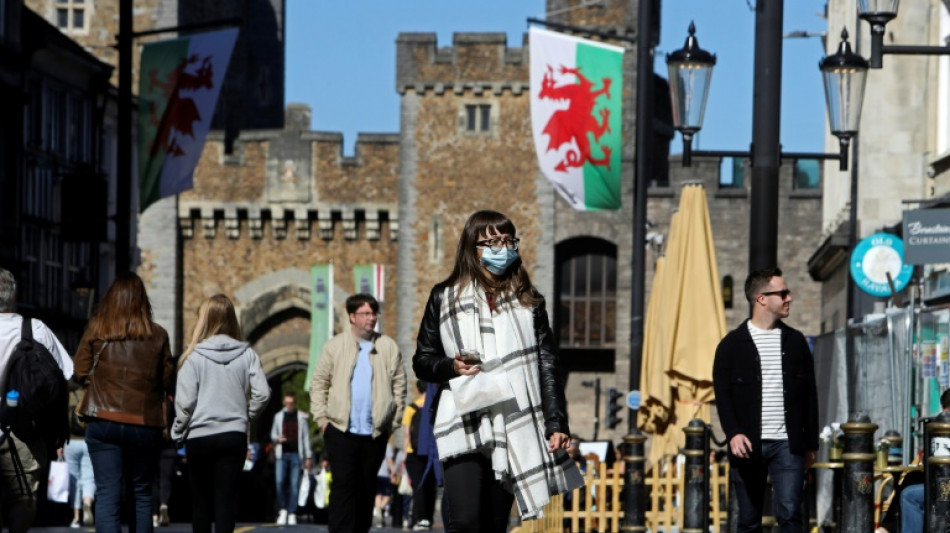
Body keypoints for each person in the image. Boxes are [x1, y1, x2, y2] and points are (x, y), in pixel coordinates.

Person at [413, 210, 584, 532]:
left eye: (507, 240)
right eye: (491, 241)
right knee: (464, 521)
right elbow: (422, 359)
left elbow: (547, 364)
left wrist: (556, 421)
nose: (502, 248)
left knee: (493, 523)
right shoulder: (443, 296)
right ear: (472, 248)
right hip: (462, 417)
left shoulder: (529, 301)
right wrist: (450, 365)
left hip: (513, 418)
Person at [712, 267, 819, 533]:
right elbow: (722, 396)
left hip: (788, 444)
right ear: (761, 298)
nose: (789, 298)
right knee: (748, 519)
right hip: (747, 444)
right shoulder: (730, 345)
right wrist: (733, 433)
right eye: (782, 293)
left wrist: (811, 444)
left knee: (791, 514)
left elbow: (810, 394)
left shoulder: (795, 342)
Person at [74, 272, 174, 533]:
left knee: (108, 494)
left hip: (103, 419)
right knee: (141, 493)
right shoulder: (158, 335)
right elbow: (165, 380)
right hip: (143, 422)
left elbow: (79, 371)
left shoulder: (98, 329)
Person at [172, 294, 271, 533]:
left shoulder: (193, 357)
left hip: (200, 436)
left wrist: (178, 431)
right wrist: (246, 414)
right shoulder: (247, 354)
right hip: (233, 435)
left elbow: (186, 403)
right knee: (226, 501)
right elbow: (263, 393)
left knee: (201, 502)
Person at [310, 293, 406, 533]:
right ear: (352, 317)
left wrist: (392, 422)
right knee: (343, 486)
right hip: (341, 429)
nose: (371, 318)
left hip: (374, 432)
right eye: (365, 313)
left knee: (365, 488)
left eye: (374, 313)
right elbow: (319, 383)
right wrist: (323, 420)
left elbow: (399, 385)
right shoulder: (334, 346)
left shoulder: (387, 346)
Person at [0, 267, 74, 533]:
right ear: (13, 295)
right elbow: (65, 372)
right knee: (23, 496)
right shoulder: (34, 329)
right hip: (25, 428)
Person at [270, 393, 311, 526]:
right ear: (283, 402)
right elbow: (273, 434)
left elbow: (305, 438)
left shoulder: (301, 418)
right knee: (279, 482)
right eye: (286, 403)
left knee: (294, 485)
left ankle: (292, 512)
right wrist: (277, 439)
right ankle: (283, 509)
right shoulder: (278, 416)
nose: (288, 405)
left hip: (295, 454)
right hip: (282, 454)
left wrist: (308, 456)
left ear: (294, 403)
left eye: (291, 403)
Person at [403, 380, 435, 531]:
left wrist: (404, 455)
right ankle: (428, 518)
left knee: (418, 486)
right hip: (430, 451)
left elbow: (406, 434)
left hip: (413, 452)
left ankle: (420, 518)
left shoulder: (411, 408)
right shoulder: (434, 405)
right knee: (431, 486)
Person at [65, 386, 95, 528]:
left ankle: (76, 517)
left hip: (71, 442)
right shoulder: (90, 393)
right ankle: (87, 503)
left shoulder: (68, 395)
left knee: (73, 479)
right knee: (88, 476)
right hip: (88, 441)